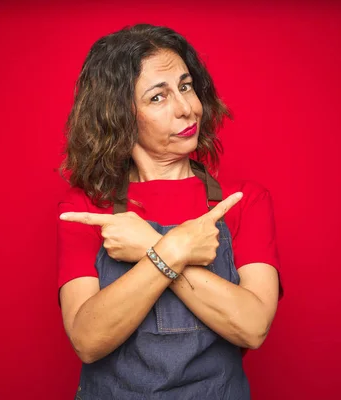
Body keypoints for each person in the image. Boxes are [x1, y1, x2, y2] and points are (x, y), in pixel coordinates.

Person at [57, 23, 283, 399]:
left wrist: (152, 245)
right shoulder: (83, 208)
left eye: (185, 86)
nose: (186, 109)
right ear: (120, 116)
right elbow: (87, 338)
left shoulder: (245, 200)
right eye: (157, 98)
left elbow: (252, 326)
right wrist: (173, 250)